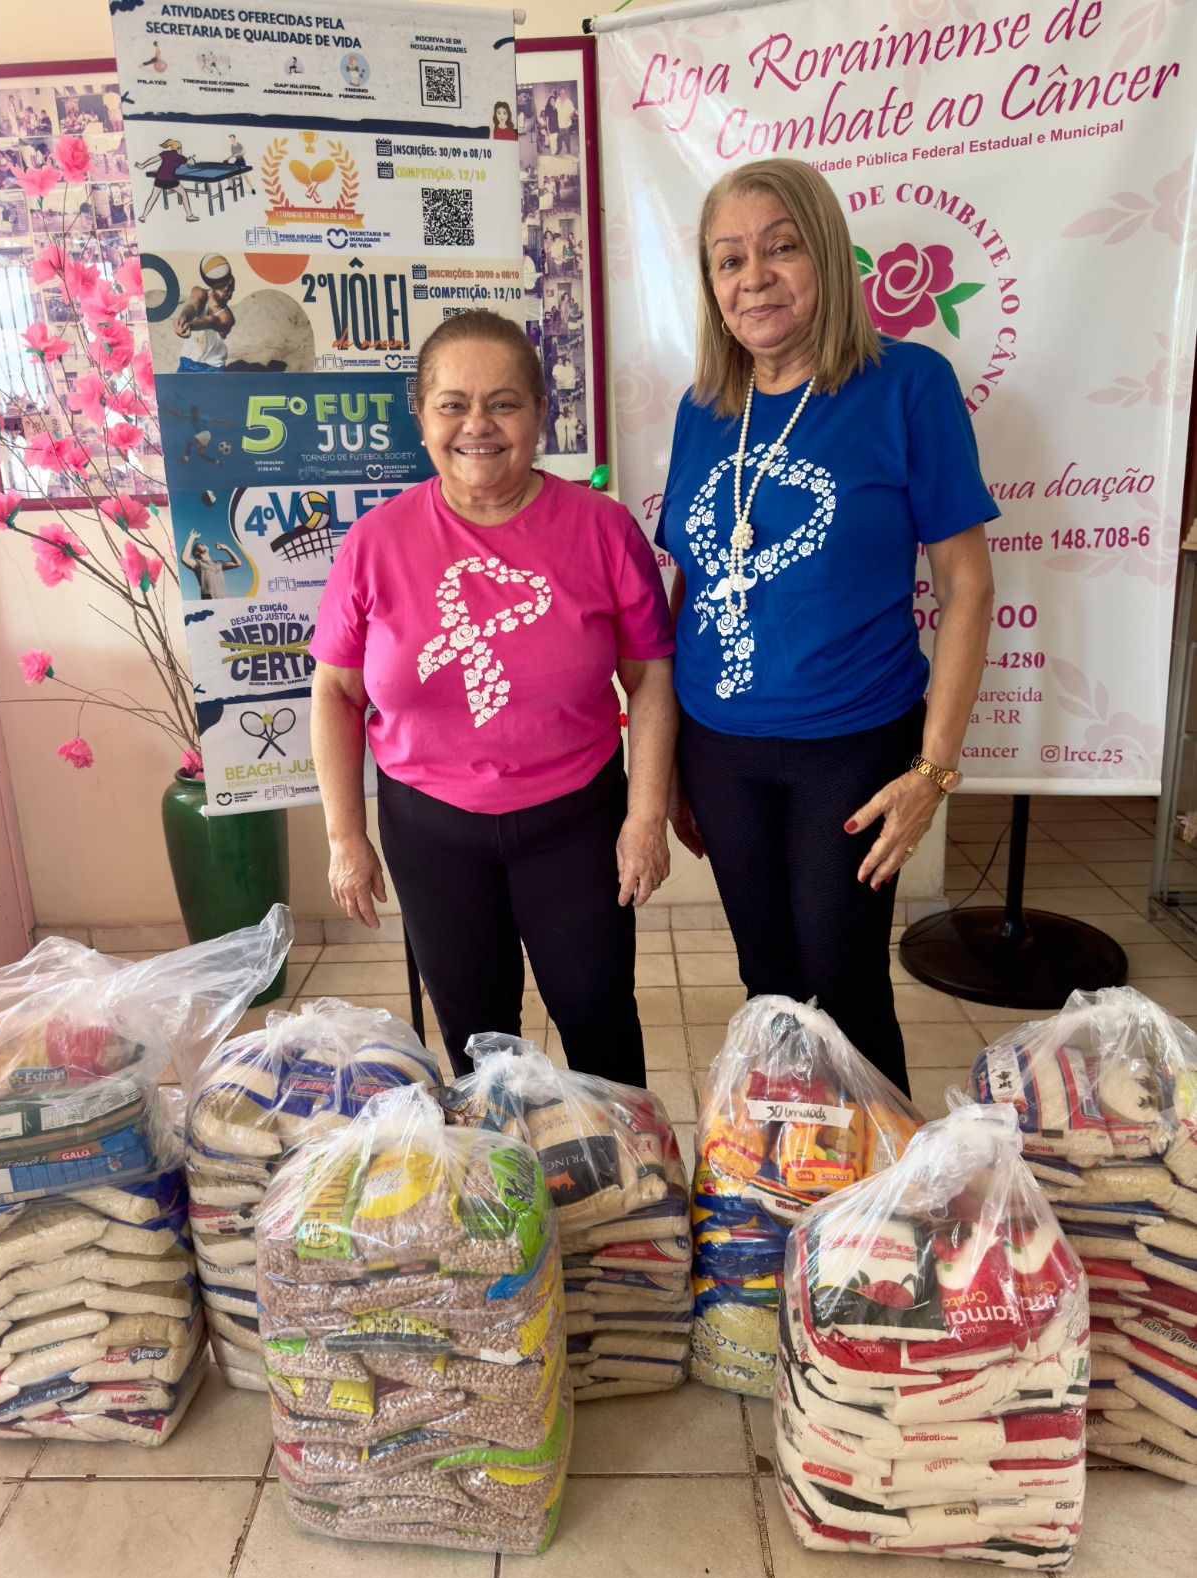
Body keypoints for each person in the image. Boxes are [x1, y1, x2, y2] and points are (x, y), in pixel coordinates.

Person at [656, 158, 997, 1096]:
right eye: (728, 260)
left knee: (844, 985)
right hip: (719, 746)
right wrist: (674, 754)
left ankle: (885, 1209)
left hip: (851, 745)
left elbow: (967, 587)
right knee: (768, 985)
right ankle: (786, 1189)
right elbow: (693, 580)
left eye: (780, 247)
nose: (752, 276)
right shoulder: (702, 410)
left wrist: (932, 770)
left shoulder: (908, 386)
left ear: (829, 259)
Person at [310, 309, 676, 1085]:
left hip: (576, 822)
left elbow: (650, 680)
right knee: (478, 1043)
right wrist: (345, 836)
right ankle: (503, 1189)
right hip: (429, 829)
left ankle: (630, 1188)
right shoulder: (374, 542)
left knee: (599, 1018)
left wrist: (645, 818)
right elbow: (338, 693)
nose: (478, 424)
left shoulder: (604, 529)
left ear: (542, 413)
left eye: (504, 402)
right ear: (422, 416)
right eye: (453, 403)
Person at [172, 263, 236, 372]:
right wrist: (183, 318)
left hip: (213, 366)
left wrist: (190, 326)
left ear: (230, 296)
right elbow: (192, 306)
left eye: (230, 288)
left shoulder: (227, 317)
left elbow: (209, 321)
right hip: (188, 359)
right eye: (223, 284)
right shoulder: (199, 292)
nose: (226, 288)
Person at [135, 139, 198, 222]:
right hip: (170, 180)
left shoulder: (166, 153)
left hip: (159, 179)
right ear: (179, 149)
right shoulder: (181, 158)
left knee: (153, 197)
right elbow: (192, 163)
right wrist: (191, 159)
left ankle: (143, 216)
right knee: (183, 194)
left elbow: (154, 159)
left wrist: (143, 165)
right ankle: (189, 215)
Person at [181, 531, 243, 599]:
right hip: (210, 603)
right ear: (197, 552)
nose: (203, 543)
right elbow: (185, 558)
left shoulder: (219, 563)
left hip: (225, 601)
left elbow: (238, 563)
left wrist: (226, 548)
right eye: (201, 544)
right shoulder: (199, 564)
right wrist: (191, 537)